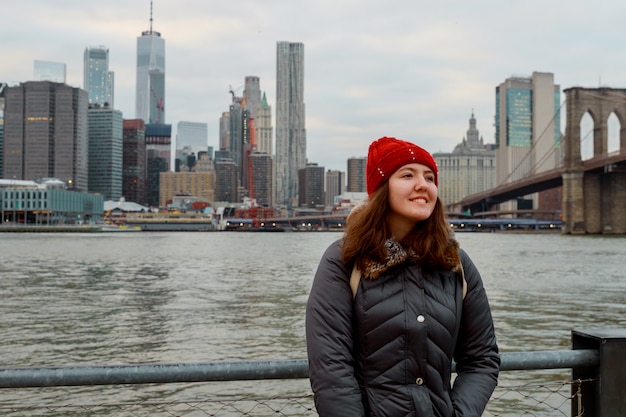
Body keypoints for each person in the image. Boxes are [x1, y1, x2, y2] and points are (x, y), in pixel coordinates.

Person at [306, 136, 500, 416]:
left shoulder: (456, 263)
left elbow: (482, 359)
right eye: (407, 175)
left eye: (430, 177)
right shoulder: (344, 260)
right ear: (382, 189)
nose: (423, 184)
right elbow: (331, 370)